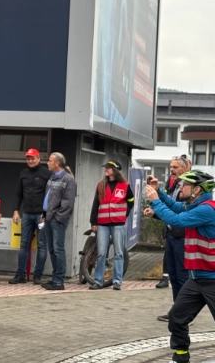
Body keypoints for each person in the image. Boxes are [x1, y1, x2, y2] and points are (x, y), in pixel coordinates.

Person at [145, 170, 215, 363]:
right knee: (177, 318)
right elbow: (176, 208)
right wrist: (159, 193)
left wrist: (155, 201)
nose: (180, 187)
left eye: (184, 185)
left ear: (197, 189)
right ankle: (180, 356)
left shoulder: (206, 209)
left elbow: (176, 220)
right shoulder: (195, 206)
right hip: (197, 279)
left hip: (212, 279)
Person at [88, 161, 134, 291]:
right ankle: (98, 281)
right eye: (105, 168)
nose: (106, 170)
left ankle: (117, 281)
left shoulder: (125, 186)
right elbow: (95, 205)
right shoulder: (100, 186)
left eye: (108, 168)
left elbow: (131, 201)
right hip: (102, 223)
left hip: (118, 223)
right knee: (101, 253)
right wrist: (93, 222)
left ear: (115, 170)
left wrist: (125, 214)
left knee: (119, 253)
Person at [156, 155, 192, 322]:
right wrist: (157, 192)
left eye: (175, 168)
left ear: (185, 168)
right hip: (171, 235)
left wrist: (156, 201)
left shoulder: (190, 186)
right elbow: (171, 206)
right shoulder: (175, 185)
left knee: (183, 277)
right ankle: (177, 311)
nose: (172, 170)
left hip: (182, 236)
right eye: (171, 167)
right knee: (174, 277)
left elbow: (179, 211)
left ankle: (185, 313)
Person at [9, 149, 51, 285]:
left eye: (33, 158)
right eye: (28, 159)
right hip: (26, 214)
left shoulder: (46, 173)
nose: (30, 161)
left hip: (41, 215)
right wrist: (16, 210)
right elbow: (18, 193)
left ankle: (37, 275)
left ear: (38, 158)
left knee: (42, 245)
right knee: (24, 244)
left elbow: (51, 195)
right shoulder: (23, 173)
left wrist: (46, 213)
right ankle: (20, 274)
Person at [41, 152, 77, 291]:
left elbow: (68, 203)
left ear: (57, 163)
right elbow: (48, 199)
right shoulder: (52, 178)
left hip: (57, 220)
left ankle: (59, 281)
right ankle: (55, 277)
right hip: (48, 218)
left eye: (50, 161)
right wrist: (44, 214)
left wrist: (58, 217)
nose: (47, 163)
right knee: (52, 249)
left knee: (58, 249)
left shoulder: (68, 180)